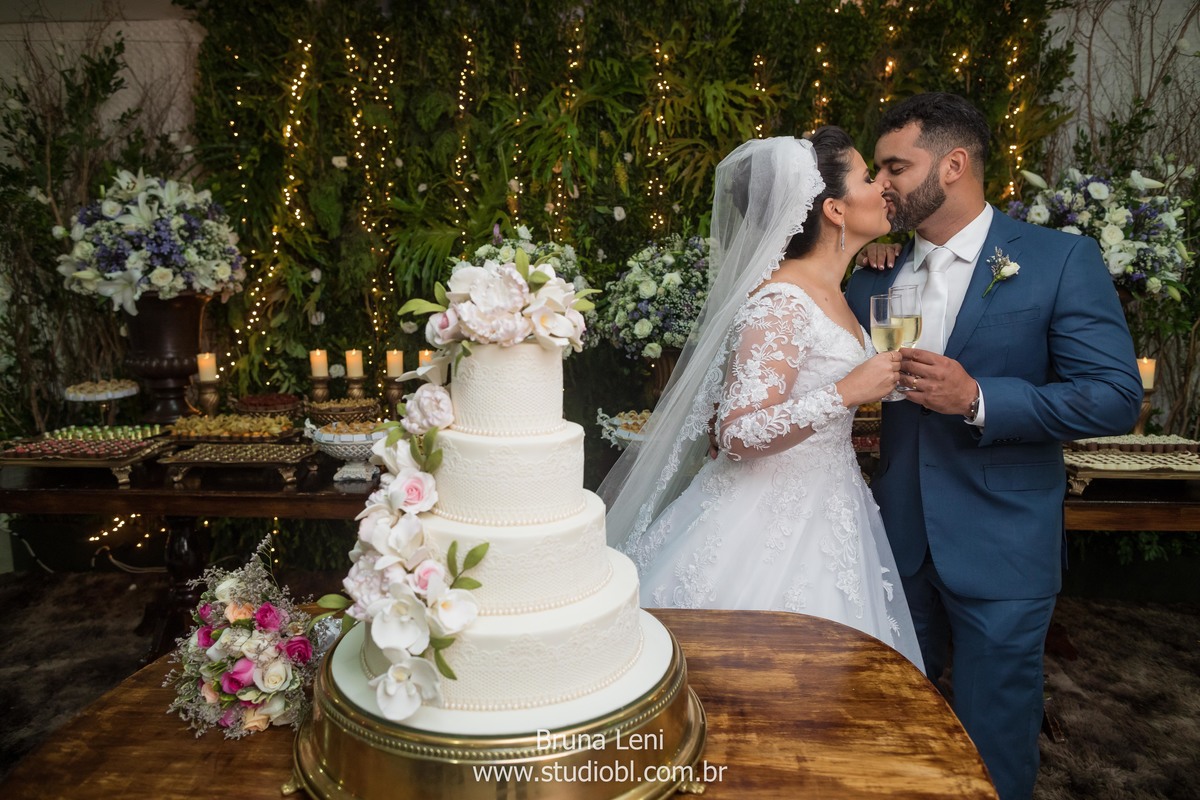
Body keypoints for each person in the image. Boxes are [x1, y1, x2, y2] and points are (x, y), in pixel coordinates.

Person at [844, 92, 1143, 800]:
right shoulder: (874, 272)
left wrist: (979, 400)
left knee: (994, 741)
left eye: (895, 166)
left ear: (953, 165)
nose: (880, 182)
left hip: (1004, 543)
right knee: (891, 726)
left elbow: (1114, 396)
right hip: (895, 542)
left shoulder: (1059, 261)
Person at [600, 129, 922, 667]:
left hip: (831, 505)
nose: (883, 186)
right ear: (835, 209)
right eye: (869, 177)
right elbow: (738, 431)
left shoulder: (836, 291)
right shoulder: (781, 301)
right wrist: (849, 391)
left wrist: (887, 381)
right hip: (764, 520)